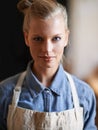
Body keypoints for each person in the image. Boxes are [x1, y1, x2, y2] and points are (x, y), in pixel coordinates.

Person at [0, 0, 97, 129]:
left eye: (56, 38)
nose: (47, 49)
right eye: (38, 39)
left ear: (66, 38)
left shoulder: (84, 94)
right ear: (26, 38)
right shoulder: (5, 92)